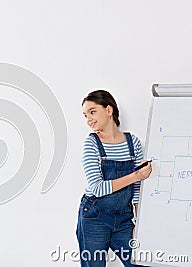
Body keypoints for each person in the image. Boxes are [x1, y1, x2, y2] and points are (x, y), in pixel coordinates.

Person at [76, 90, 152, 267]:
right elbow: (98, 188)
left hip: (125, 219)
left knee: (139, 261)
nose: (89, 120)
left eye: (93, 112)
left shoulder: (133, 143)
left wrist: (139, 224)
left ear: (109, 110)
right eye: (85, 115)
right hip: (94, 218)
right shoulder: (91, 144)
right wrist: (135, 175)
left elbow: (136, 189)